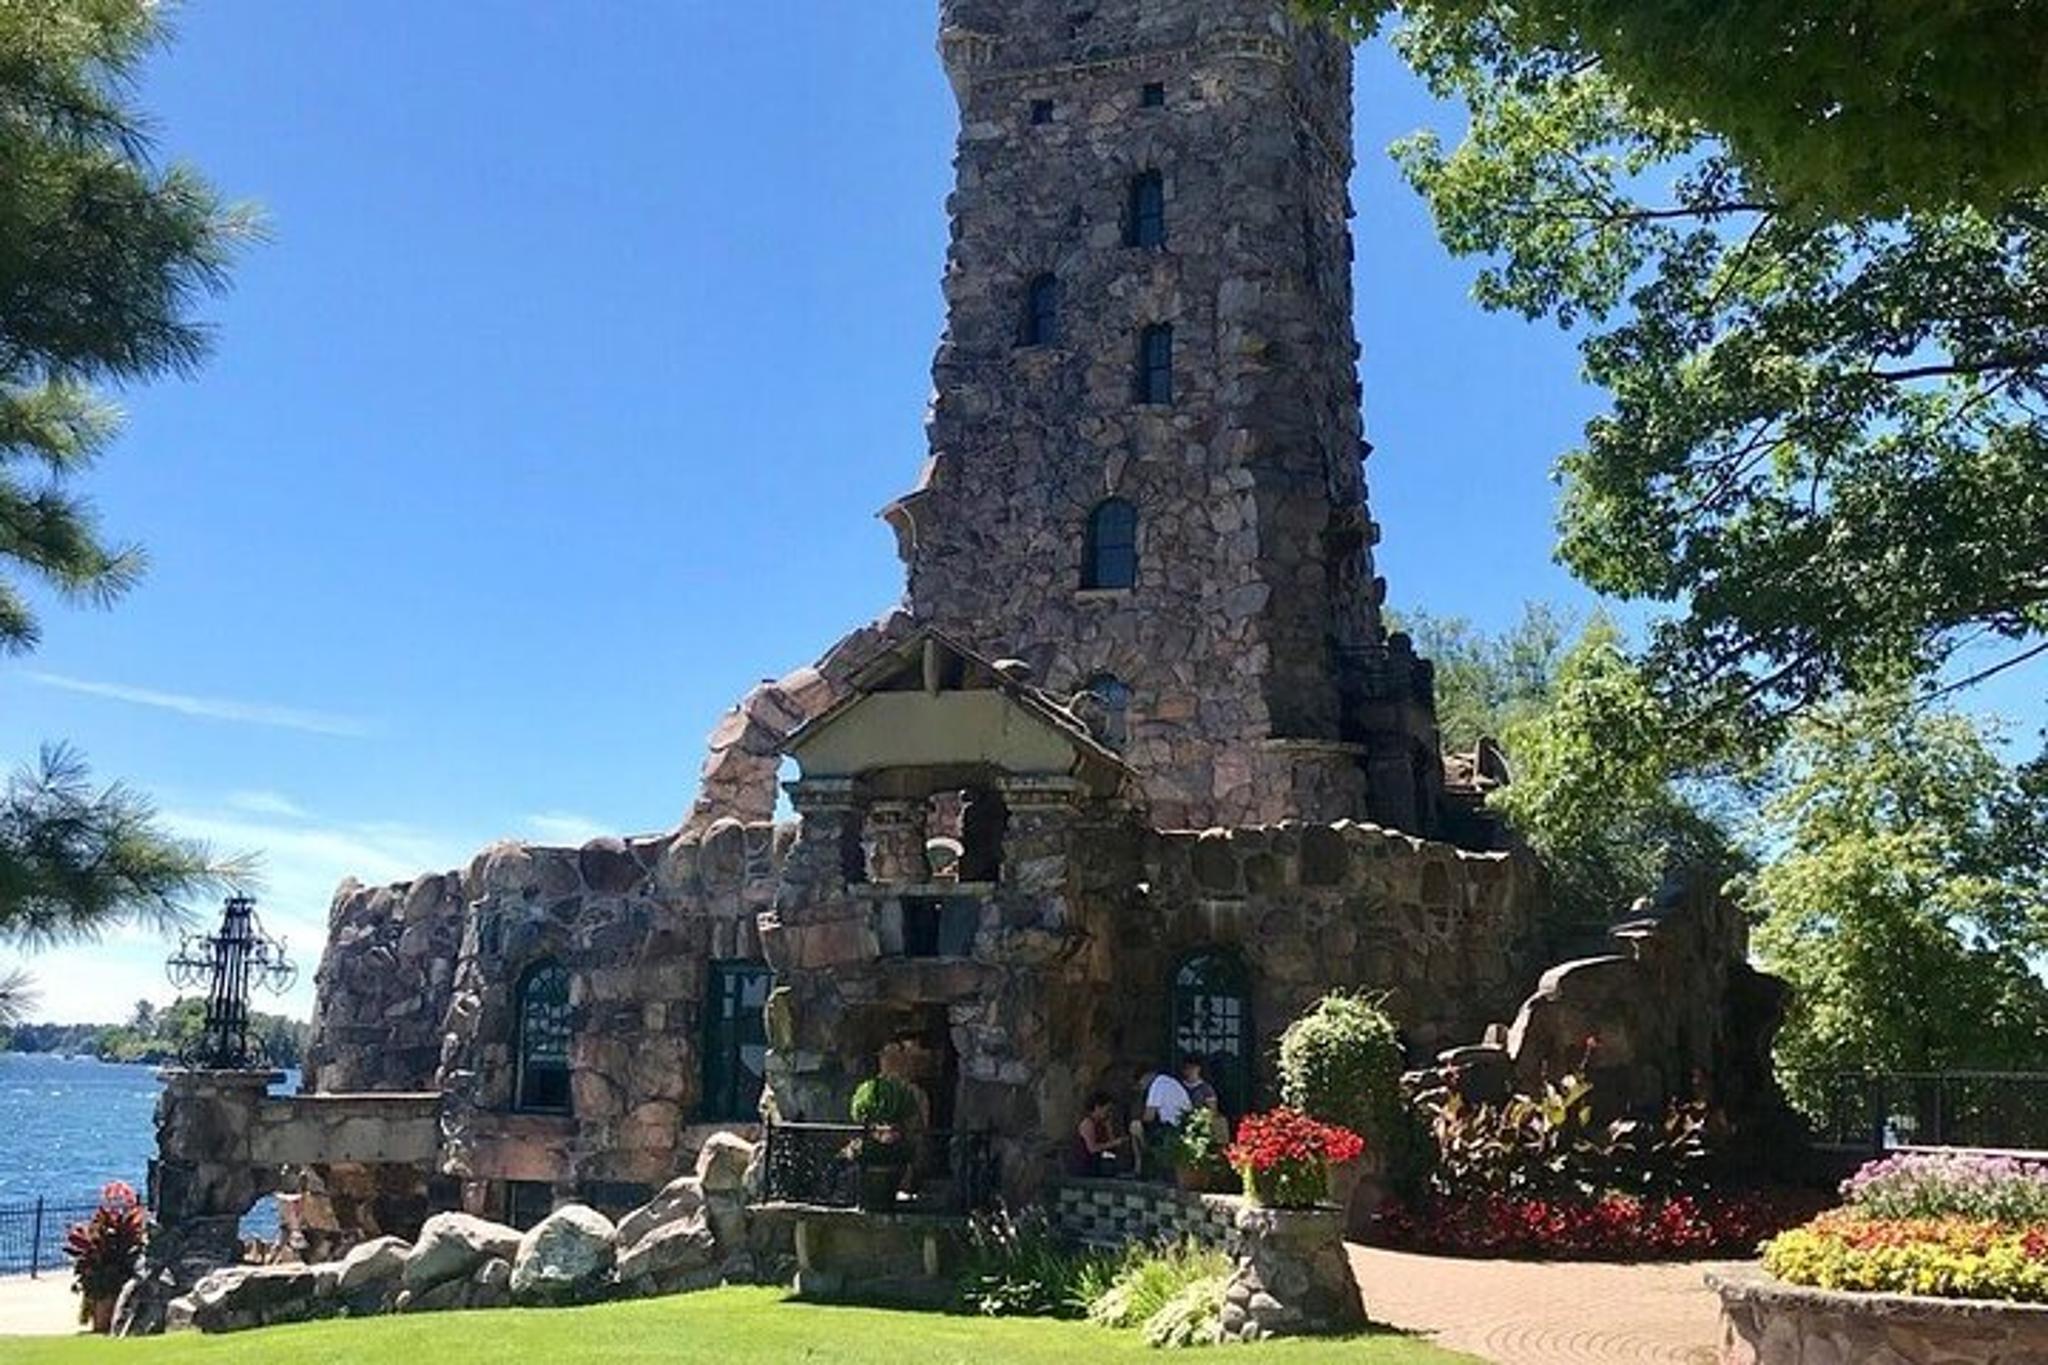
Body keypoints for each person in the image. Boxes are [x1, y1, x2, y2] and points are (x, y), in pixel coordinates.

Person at [1129, 1064, 1192, 1177]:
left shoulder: (1157, 1085)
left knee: (1135, 1126)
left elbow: (1149, 1116)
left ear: (1146, 1077)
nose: (1142, 1087)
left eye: (1141, 1083)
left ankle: (1140, 1165)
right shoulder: (1168, 1082)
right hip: (1182, 1124)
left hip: (1172, 1128)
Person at [1069, 1091, 1131, 1177]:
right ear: (1098, 1108)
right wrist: (1114, 1143)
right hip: (1085, 1165)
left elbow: (1110, 1145)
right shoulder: (1088, 1123)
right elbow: (1092, 1148)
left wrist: (1109, 1128)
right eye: (1107, 1110)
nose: (1109, 1113)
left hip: (1099, 1162)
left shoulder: (1102, 1124)